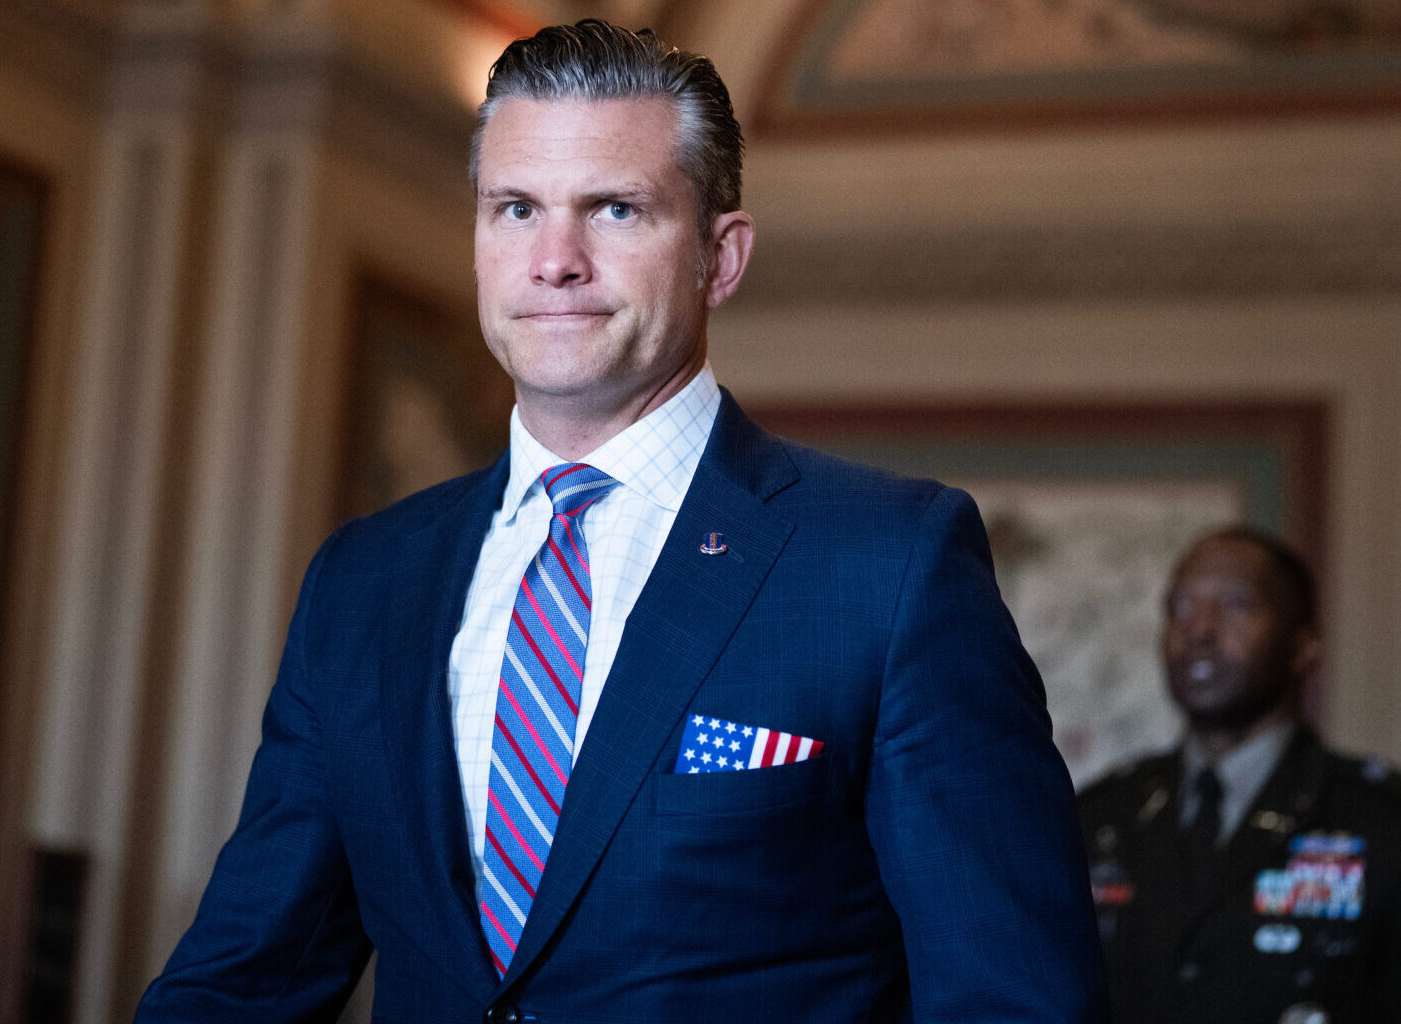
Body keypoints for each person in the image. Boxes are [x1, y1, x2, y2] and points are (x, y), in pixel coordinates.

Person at [137, 20, 1105, 1023]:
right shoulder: (364, 578)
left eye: (614, 208)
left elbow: (1013, 1000)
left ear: (719, 258)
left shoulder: (889, 564)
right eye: (515, 208)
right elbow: (245, 977)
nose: (554, 260)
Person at [1077, 526, 1401, 1023]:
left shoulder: (1381, 818)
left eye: (1235, 605)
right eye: (1180, 608)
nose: (1200, 629)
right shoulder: (1101, 814)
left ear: (1304, 645)